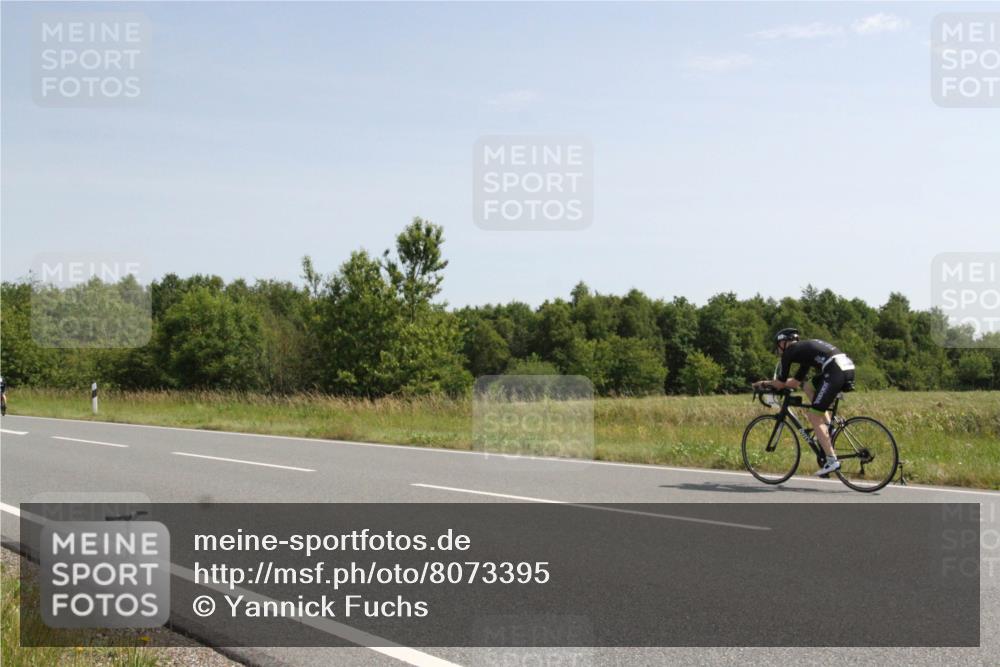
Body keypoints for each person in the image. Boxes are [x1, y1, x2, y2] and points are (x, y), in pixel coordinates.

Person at [753, 328, 856, 476]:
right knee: (809, 387)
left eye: (778, 345)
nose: (779, 349)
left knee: (813, 416)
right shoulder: (804, 352)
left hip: (835, 371)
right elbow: (795, 383)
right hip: (845, 367)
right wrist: (776, 383)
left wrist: (763, 384)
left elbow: (780, 383)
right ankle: (828, 428)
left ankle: (832, 461)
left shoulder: (789, 352)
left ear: (783, 343)